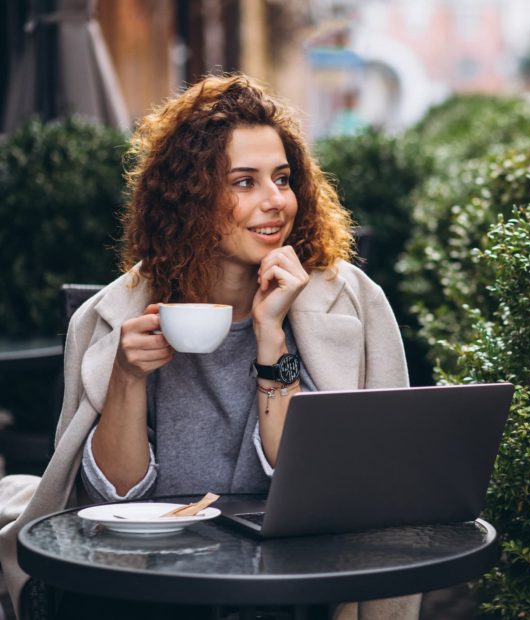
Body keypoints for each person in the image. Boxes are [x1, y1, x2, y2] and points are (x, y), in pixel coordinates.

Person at [0, 74, 419, 619]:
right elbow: (112, 504)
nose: (275, 202)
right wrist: (126, 378)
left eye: (283, 178)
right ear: (190, 197)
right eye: (244, 182)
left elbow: (317, 485)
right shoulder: (109, 317)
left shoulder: (349, 303)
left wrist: (272, 334)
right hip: (152, 581)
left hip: (295, 578)